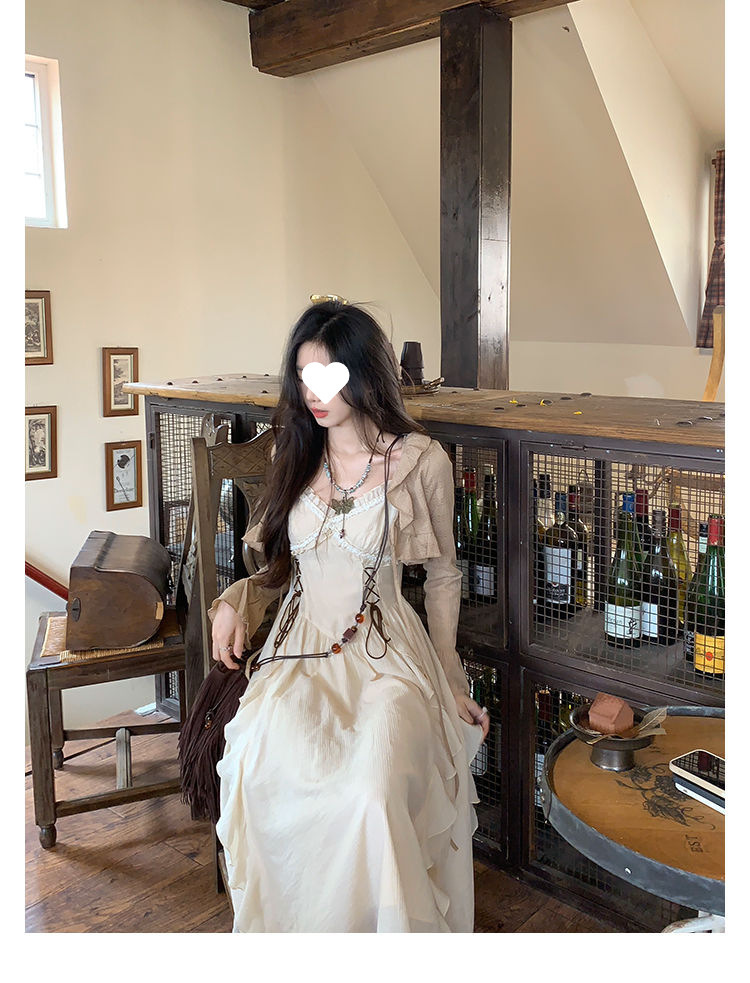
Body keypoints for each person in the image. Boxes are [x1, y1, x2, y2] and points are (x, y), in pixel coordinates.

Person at [209, 298, 489, 932]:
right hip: (299, 652)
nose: (315, 393)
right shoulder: (293, 451)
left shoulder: (420, 461)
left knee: (371, 793)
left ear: (363, 373)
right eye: (304, 377)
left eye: (329, 376)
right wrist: (234, 600)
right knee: (259, 767)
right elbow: (282, 568)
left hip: (387, 655)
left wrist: (449, 674)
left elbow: (443, 576)